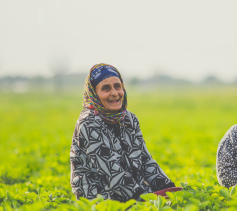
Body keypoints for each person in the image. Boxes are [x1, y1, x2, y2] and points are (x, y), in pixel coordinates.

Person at [70, 63, 175, 202]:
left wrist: (170, 189)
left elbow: (145, 160)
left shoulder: (129, 119)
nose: (115, 93)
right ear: (94, 94)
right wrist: (146, 200)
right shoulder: (88, 124)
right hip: (100, 198)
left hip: (133, 192)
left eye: (117, 86)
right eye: (106, 88)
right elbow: (112, 173)